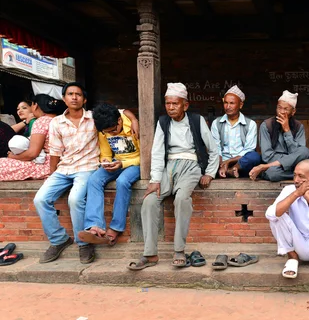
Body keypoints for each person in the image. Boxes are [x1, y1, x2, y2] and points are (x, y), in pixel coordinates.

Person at [128, 82, 219, 270]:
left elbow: (213, 149)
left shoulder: (196, 120)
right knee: (150, 201)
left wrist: (209, 173)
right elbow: (157, 151)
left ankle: (179, 250)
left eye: (175, 104)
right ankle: (150, 253)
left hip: (191, 165)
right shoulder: (163, 122)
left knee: (182, 199)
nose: (170, 108)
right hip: (168, 167)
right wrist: (155, 180)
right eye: (168, 103)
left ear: (185, 105)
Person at [33, 83, 100, 264]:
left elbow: (120, 112)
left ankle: (83, 243)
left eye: (78, 94)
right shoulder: (56, 122)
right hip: (64, 169)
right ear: (64, 98)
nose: (74, 97)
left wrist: (132, 118)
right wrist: (51, 176)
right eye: (70, 94)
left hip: (87, 167)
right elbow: (55, 151)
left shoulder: (94, 118)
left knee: (75, 199)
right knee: (40, 199)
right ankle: (59, 239)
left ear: (84, 99)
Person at [78, 103, 141, 247]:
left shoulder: (133, 125)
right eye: (108, 132)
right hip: (117, 162)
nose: (111, 134)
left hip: (137, 164)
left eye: (113, 130)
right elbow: (106, 153)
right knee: (94, 179)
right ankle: (95, 226)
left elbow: (145, 156)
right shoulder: (104, 130)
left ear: (119, 121)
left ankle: (115, 228)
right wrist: (106, 161)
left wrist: (123, 164)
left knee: (123, 181)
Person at [249, 90, 309, 181]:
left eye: (286, 109)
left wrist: (287, 131)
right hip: (275, 166)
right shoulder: (266, 125)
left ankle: (264, 167)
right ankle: (306, 175)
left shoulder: (299, 127)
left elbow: (300, 153)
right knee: (272, 174)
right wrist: (287, 161)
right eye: (279, 108)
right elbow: (267, 156)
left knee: (305, 151)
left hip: (292, 165)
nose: (281, 112)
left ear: (293, 111)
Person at [0, 94, 65, 181]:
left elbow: (32, 153)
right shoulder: (61, 120)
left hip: (48, 166)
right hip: (62, 163)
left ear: (35, 106)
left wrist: (12, 156)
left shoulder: (42, 121)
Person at [210, 85, 261, 178]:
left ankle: (232, 170)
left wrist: (229, 162)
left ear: (240, 105)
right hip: (221, 163)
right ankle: (225, 171)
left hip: (241, 164)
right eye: (225, 102)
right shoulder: (216, 123)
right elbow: (216, 148)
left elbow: (249, 150)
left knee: (254, 156)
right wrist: (222, 164)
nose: (228, 106)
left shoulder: (250, 124)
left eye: (232, 103)